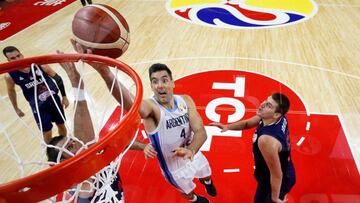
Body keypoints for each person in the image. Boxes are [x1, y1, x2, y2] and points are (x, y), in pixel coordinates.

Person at [71, 40, 217, 203]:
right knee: (187, 192)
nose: (160, 85)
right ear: (152, 87)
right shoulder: (151, 108)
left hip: (193, 154)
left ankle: (208, 182)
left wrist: (191, 150)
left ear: (172, 82)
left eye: (164, 80)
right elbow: (131, 103)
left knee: (206, 173)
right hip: (173, 169)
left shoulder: (185, 101)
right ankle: (195, 198)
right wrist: (106, 73)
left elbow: (201, 132)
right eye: (155, 81)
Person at [46, 53, 145, 203]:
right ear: (62, 163)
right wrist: (76, 84)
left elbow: (117, 144)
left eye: (71, 141)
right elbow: (84, 143)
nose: (74, 144)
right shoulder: (83, 188)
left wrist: (146, 147)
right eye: (68, 147)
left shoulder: (96, 160)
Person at [210, 93, 296, 203]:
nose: (262, 104)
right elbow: (247, 123)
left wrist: (275, 198)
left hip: (278, 180)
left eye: (269, 105)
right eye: (265, 100)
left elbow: (277, 175)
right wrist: (227, 127)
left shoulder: (266, 140)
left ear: (276, 114)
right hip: (272, 172)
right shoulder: (274, 117)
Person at [3, 46, 69, 143]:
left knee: (61, 125)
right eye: (13, 58)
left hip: (53, 100)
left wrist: (64, 96)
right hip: (38, 107)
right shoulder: (9, 76)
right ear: (8, 60)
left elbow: (57, 78)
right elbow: (11, 91)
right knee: (47, 132)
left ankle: (65, 146)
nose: (17, 59)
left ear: (22, 54)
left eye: (18, 56)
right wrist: (16, 108)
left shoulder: (39, 65)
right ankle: (51, 154)